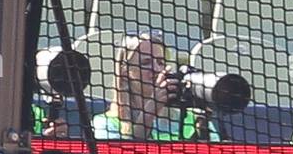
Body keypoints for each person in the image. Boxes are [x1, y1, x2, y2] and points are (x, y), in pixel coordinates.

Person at [90, 32, 218, 141]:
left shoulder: (193, 119)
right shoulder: (105, 123)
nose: (156, 69)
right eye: (146, 62)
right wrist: (149, 112)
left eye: (160, 62)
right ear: (125, 72)